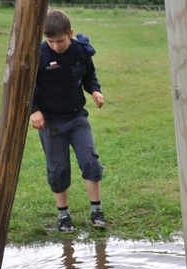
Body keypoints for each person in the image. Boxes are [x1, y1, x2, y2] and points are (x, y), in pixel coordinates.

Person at [30, 9, 106, 233]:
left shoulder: (81, 51)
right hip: (50, 124)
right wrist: (34, 110)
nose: (55, 45)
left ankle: (96, 211)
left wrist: (95, 91)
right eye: (50, 41)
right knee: (58, 169)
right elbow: (26, 87)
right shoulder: (39, 55)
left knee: (90, 162)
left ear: (70, 34)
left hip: (76, 119)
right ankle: (63, 216)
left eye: (60, 41)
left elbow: (89, 76)